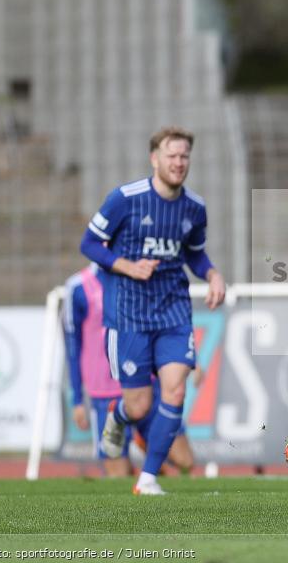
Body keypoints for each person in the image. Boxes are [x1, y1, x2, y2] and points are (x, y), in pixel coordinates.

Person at [79, 126, 225, 495]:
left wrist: (211, 274)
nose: (178, 162)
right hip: (128, 314)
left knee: (175, 392)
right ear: (154, 158)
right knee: (139, 405)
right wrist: (126, 265)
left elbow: (194, 252)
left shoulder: (194, 207)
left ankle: (147, 479)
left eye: (184, 156)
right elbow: (90, 243)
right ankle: (118, 416)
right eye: (171, 155)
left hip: (174, 311)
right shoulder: (124, 199)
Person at [63, 263, 133, 477]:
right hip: (106, 391)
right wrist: (77, 400)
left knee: (182, 458)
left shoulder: (137, 275)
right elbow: (72, 346)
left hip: (144, 384)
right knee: (116, 469)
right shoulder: (79, 286)